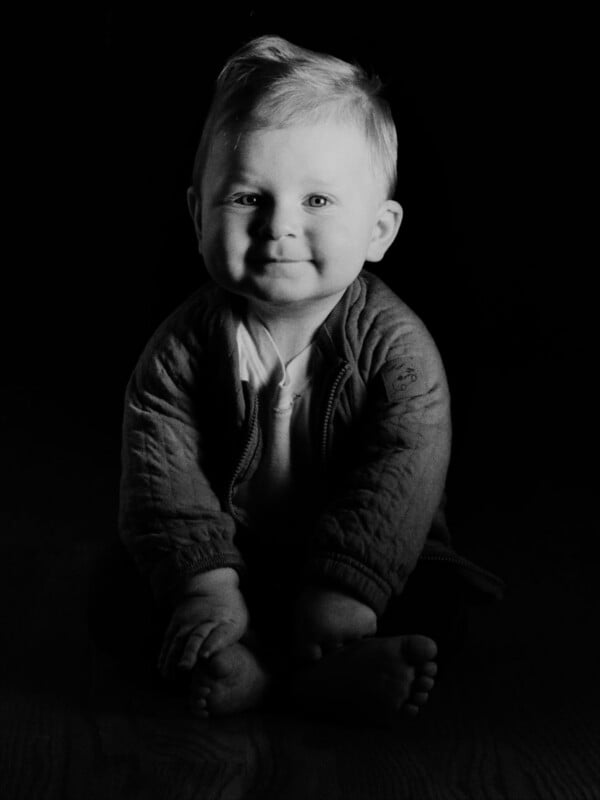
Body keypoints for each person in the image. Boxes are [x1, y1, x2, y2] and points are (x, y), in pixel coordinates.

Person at [118, 34, 503, 722]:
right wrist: (206, 582)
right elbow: (160, 467)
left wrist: (347, 586)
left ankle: (326, 662)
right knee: (117, 590)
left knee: (453, 608)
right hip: (234, 558)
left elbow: (402, 470)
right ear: (196, 214)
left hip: (365, 569)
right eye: (246, 198)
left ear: (380, 229)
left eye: (317, 202)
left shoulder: (397, 348)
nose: (278, 228)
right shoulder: (181, 348)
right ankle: (259, 666)